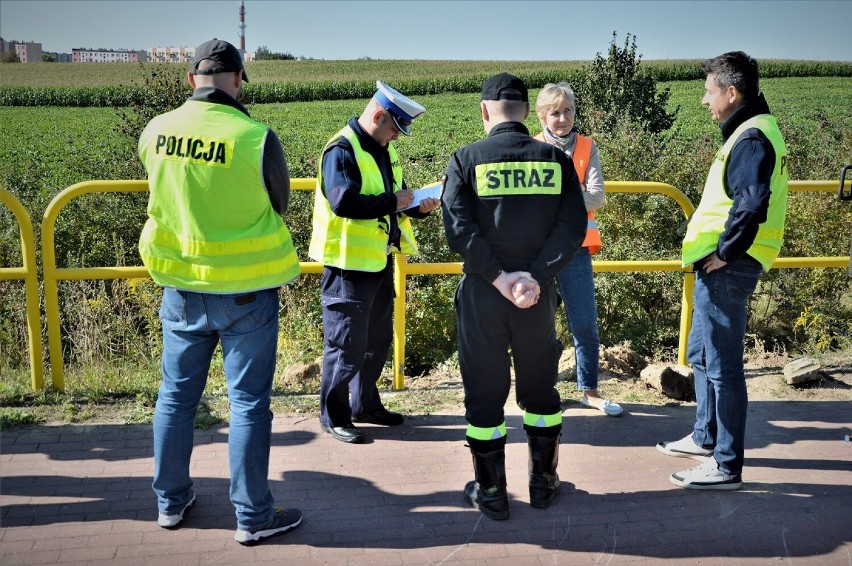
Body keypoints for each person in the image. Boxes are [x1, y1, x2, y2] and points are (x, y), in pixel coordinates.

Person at [138, 39, 303, 545]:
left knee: (174, 399)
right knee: (248, 405)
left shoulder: (156, 130)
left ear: (192, 80)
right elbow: (279, 201)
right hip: (246, 293)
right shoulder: (255, 137)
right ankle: (252, 518)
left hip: (181, 289)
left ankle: (170, 503)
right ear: (235, 80)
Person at [441, 73, 587, 519]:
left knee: (484, 394)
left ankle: (491, 493)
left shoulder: (464, 160)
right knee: (541, 392)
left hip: (484, 296)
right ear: (527, 112)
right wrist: (536, 276)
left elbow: (458, 229)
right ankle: (543, 483)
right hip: (536, 297)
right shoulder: (555, 159)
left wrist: (498, 277)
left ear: (485, 112)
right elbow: (572, 227)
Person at [657, 51, 789, 490]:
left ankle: (726, 464)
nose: (703, 100)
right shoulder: (751, 130)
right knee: (701, 354)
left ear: (732, 93)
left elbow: (752, 201)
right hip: (717, 265)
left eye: (708, 91)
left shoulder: (751, 139)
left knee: (724, 367)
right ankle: (705, 436)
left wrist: (728, 252)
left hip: (728, 267)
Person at [308, 81, 440, 444]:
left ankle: (364, 404)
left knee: (375, 341)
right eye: (395, 128)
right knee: (345, 344)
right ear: (378, 115)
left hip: (378, 261)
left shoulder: (381, 147)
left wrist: (419, 206)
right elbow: (343, 202)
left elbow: (395, 198)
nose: (397, 136)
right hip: (347, 266)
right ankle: (334, 416)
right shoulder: (341, 149)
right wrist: (393, 202)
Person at [532, 82, 623, 417]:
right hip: (537, 250)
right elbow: (529, 200)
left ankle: (590, 391)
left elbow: (597, 195)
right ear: (542, 115)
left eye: (568, 110)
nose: (562, 118)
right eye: (555, 112)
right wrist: (575, 194)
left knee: (584, 324)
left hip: (576, 249)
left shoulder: (587, 146)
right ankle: (539, 391)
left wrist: (552, 198)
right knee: (536, 324)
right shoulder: (531, 146)